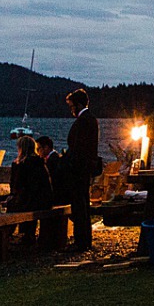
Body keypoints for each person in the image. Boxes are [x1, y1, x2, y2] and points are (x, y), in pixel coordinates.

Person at [64, 87, 99, 252]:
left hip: (79, 170)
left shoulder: (84, 121)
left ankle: (81, 241)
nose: (71, 110)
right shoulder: (90, 120)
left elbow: (79, 148)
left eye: (72, 106)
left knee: (80, 205)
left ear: (77, 104)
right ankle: (84, 239)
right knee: (83, 204)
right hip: (84, 169)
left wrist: (69, 163)